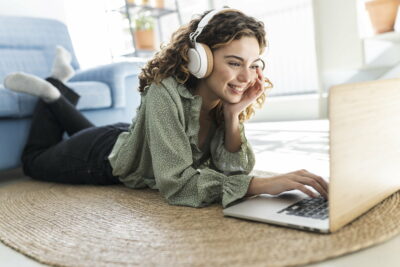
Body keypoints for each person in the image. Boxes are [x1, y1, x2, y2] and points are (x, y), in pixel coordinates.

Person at [4, 8, 328, 208]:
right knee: (33, 162)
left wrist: (232, 116)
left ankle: (60, 84)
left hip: (129, 139)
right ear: (201, 58)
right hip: (100, 158)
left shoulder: (222, 101)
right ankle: (51, 90)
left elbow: (233, 170)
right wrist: (259, 185)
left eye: (254, 64)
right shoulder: (164, 94)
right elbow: (178, 186)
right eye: (234, 62)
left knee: (93, 133)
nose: (247, 77)